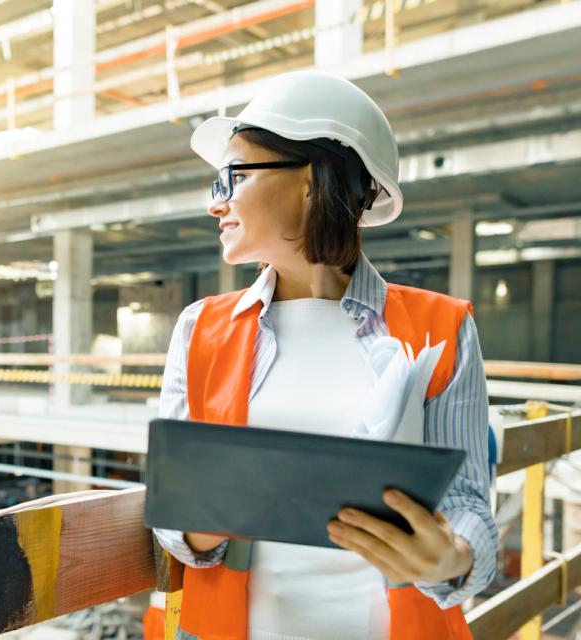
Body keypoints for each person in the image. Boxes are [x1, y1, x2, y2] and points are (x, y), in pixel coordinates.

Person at [152, 70, 497, 640]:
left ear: (312, 180)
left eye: (231, 178)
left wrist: (451, 557)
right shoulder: (199, 329)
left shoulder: (445, 327)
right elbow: (171, 525)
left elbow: (467, 506)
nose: (216, 204)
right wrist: (206, 518)